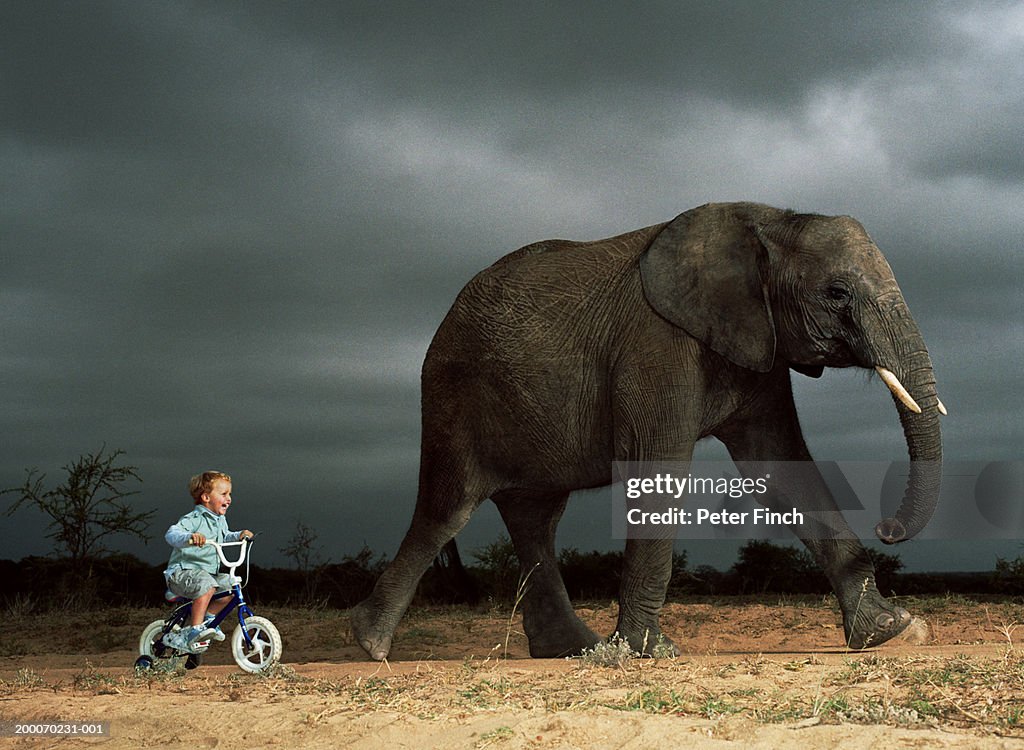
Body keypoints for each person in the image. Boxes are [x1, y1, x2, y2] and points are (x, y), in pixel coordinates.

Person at [163, 471, 253, 653]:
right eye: (224, 494)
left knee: (229, 586)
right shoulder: (194, 519)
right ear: (205, 497)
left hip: (207, 574)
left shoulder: (220, 521)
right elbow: (171, 534)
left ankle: (208, 620)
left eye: (229, 494)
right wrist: (190, 537)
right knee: (207, 585)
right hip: (181, 573)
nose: (229, 498)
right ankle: (195, 630)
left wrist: (239, 535)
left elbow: (225, 536)